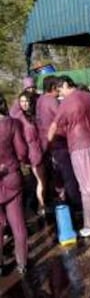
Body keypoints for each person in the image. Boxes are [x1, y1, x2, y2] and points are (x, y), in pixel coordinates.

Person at [48, 76, 90, 237]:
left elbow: (54, 126)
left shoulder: (67, 102)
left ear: (66, 84)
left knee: (86, 187)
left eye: (60, 90)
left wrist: (49, 145)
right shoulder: (89, 97)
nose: (60, 94)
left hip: (78, 146)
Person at [36, 76, 80, 208]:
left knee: (58, 176)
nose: (60, 91)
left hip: (48, 143)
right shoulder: (52, 101)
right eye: (58, 88)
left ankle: (63, 201)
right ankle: (76, 204)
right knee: (68, 175)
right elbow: (63, 117)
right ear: (53, 88)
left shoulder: (40, 100)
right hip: (59, 142)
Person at [0, 93, 28, 275]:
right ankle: (22, 263)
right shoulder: (12, 124)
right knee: (17, 223)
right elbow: (22, 151)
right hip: (11, 176)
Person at [11, 90, 46, 215]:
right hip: (30, 152)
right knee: (39, 181)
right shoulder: (18, 117)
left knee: (38, 180)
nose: (24, 104)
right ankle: (40, 206)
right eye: (22, 101)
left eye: (26, 101)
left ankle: (39, 205)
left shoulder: (32, 115)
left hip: (36, 150)